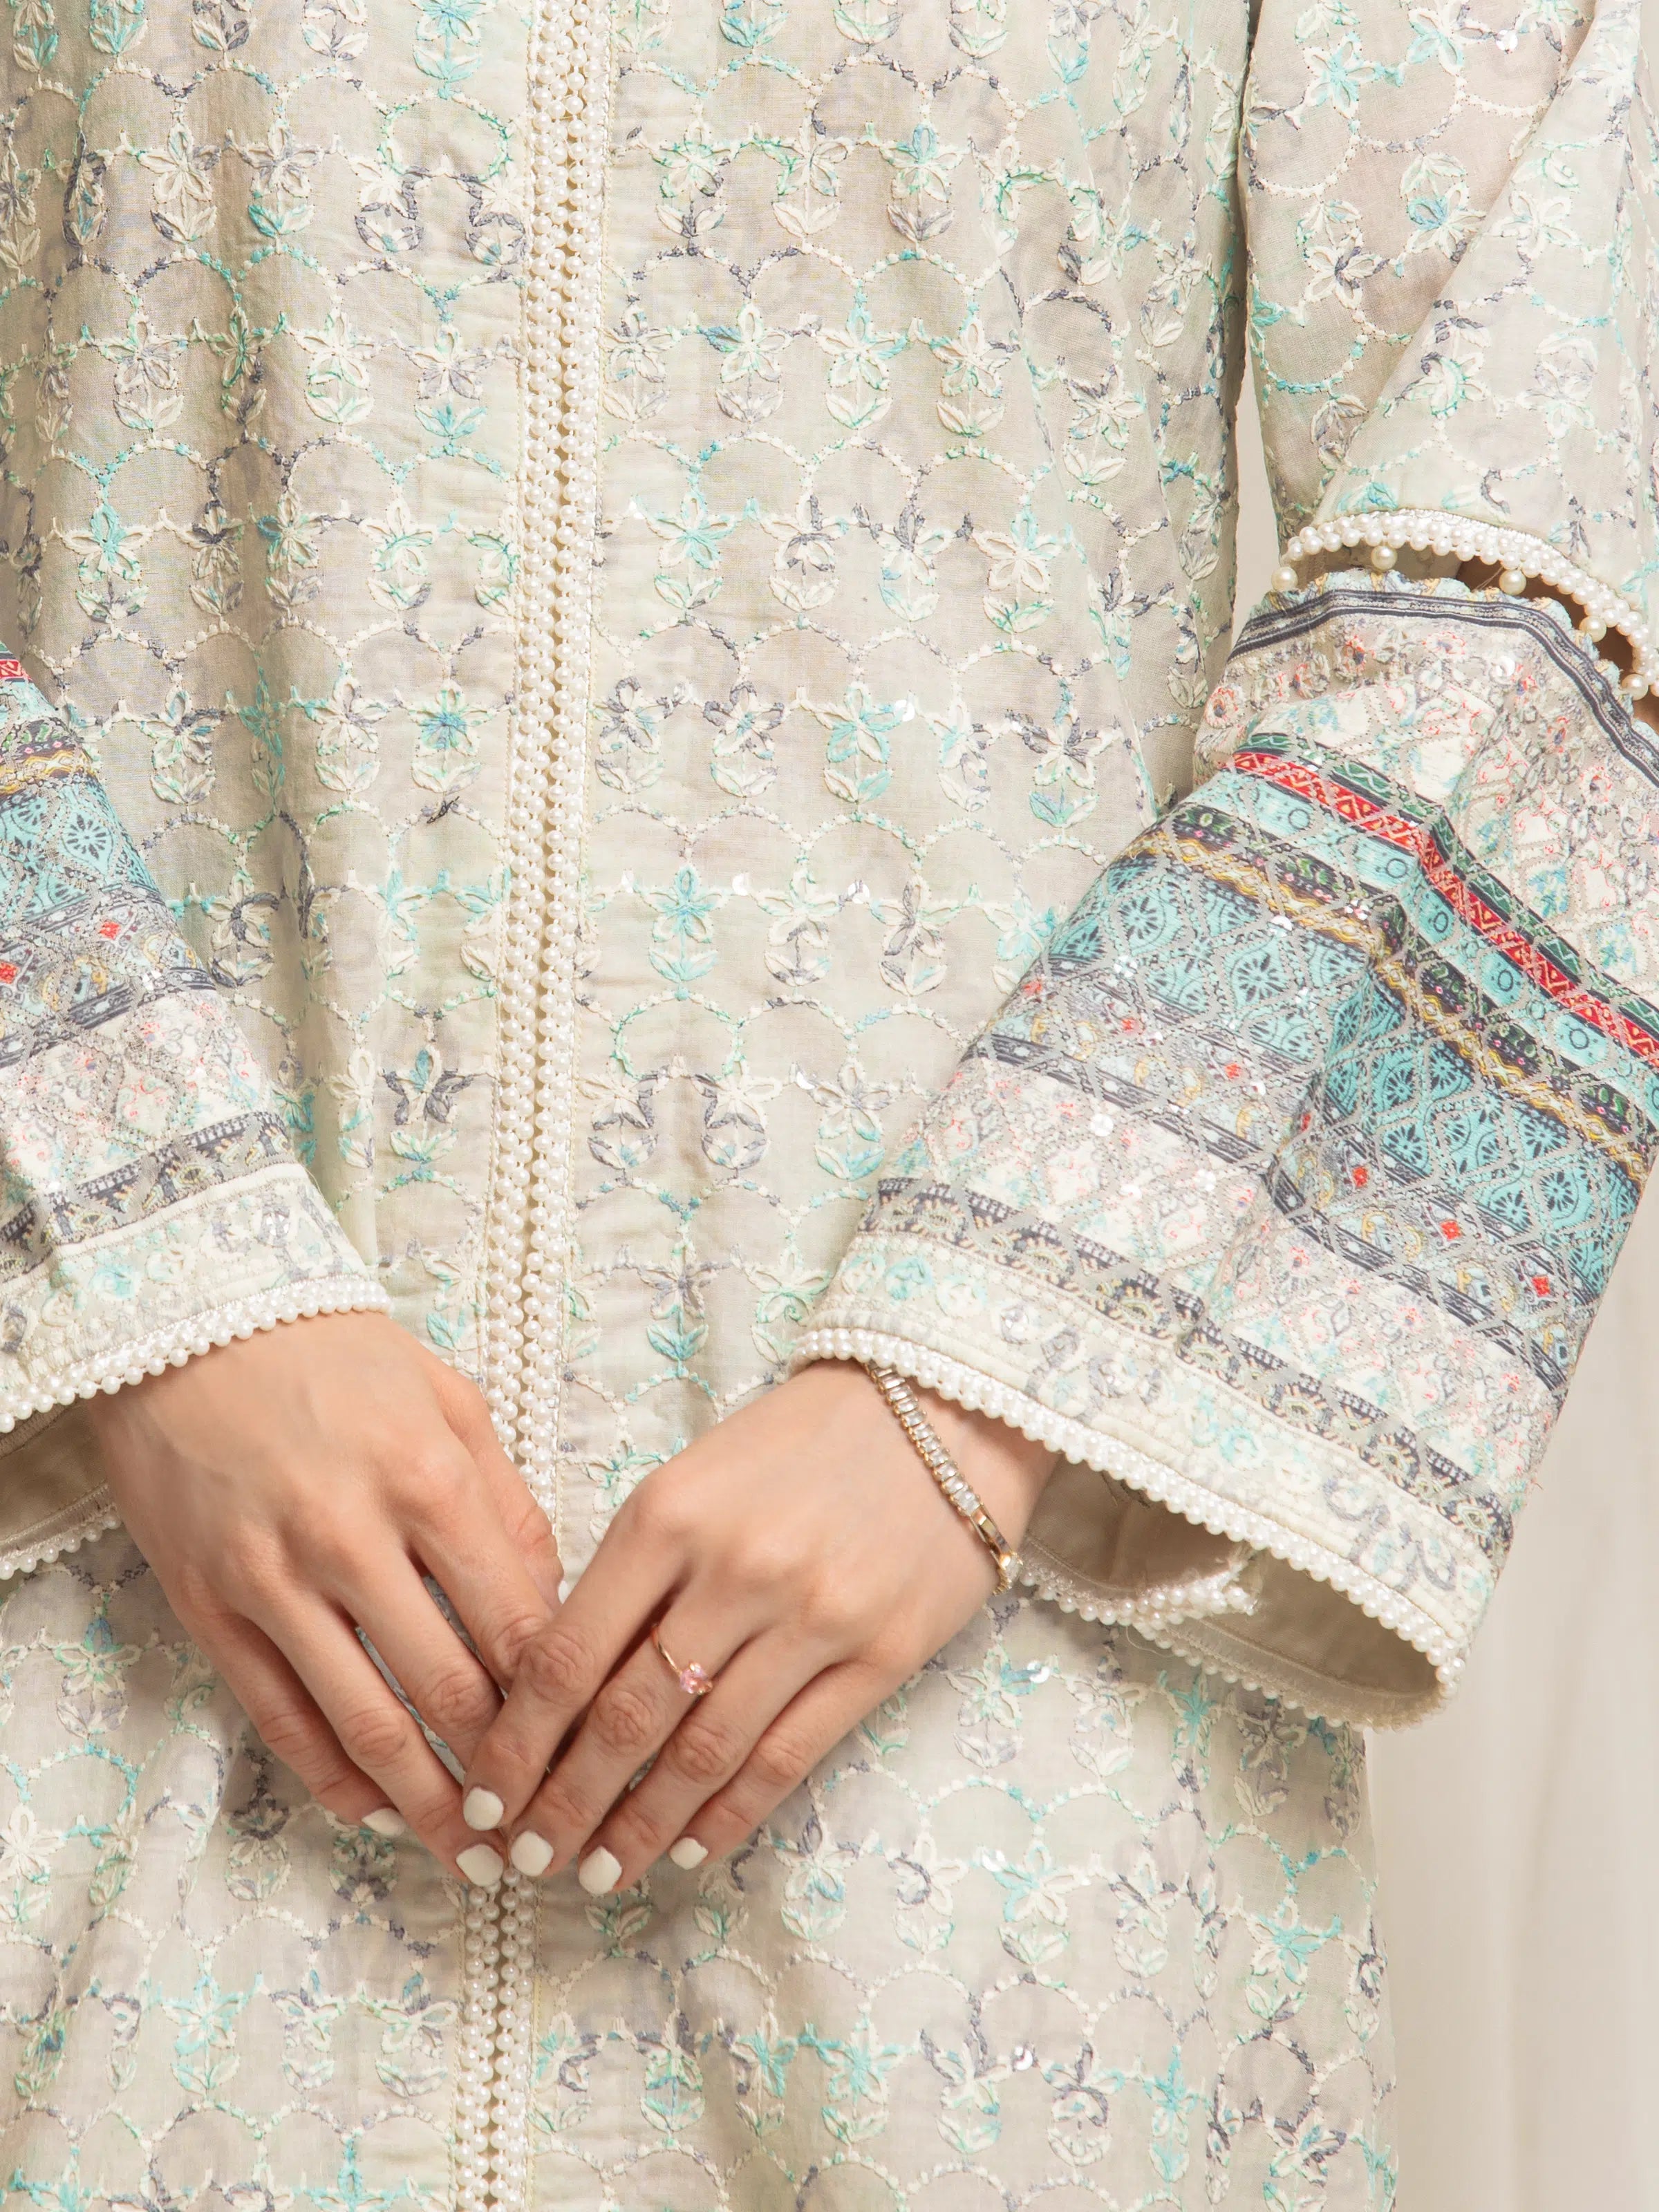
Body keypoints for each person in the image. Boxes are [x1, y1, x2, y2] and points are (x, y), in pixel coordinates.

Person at [1, 0, 1653, 2202]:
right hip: (103, 1675)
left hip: (989, 1792)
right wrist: (133, 1245)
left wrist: (988, 1379)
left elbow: (1542, 502)